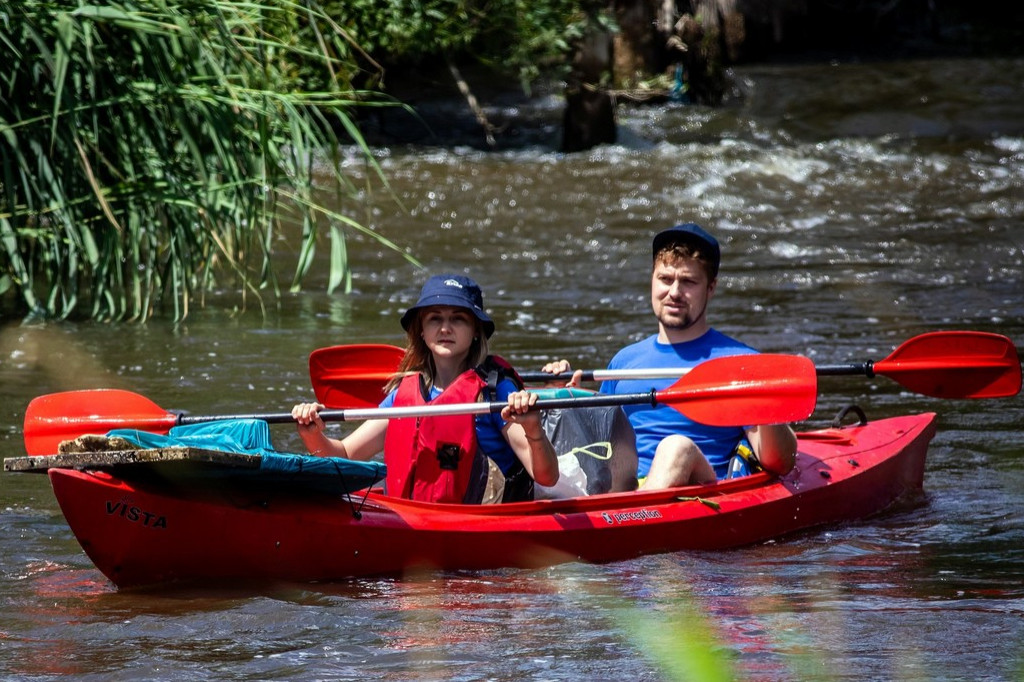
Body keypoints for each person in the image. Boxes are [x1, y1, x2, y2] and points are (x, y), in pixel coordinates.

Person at [545, 223, 797, 489]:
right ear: (652, 280)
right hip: (628, 490)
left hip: (700, 491)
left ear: (711, 288)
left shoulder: (742, 364)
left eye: (688, 282)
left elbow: (780, 462)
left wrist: (768, 403)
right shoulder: (624, 362)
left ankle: (632, 518)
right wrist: (568, 403)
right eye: (665, 279)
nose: (674, 292)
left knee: (676, 447)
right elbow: (599, 447)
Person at [292, 274, 560, 504]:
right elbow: (344, 455)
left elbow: (547, 477)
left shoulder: (494, 392)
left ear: (476, 331)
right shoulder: (404, 395)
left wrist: (533, 429)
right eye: (434, 318)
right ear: (421, 330)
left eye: (458, 319)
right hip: (418, 519)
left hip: (484, 524)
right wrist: (312, 433)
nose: (445, 328)